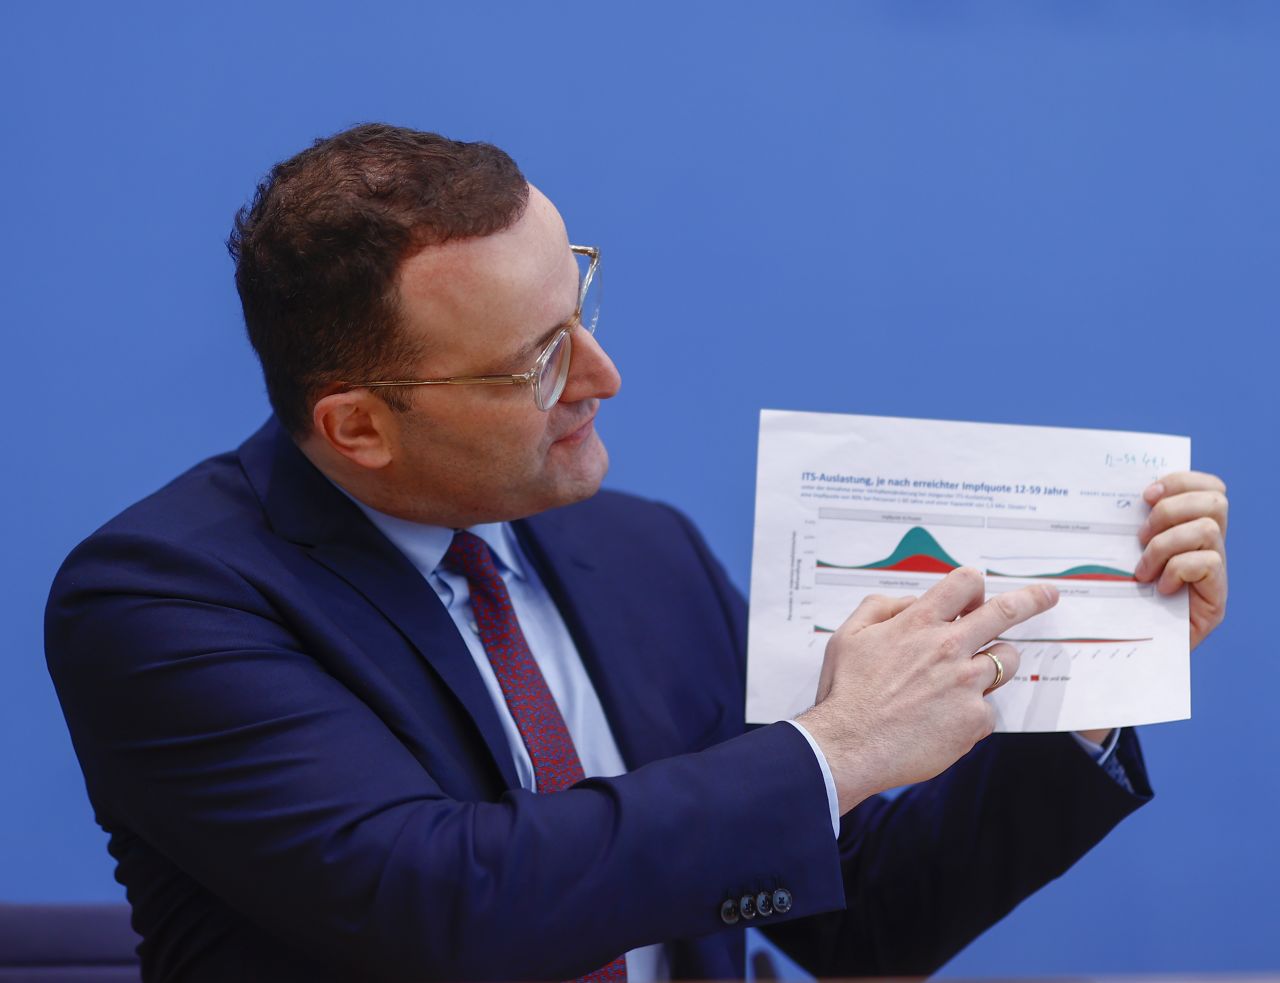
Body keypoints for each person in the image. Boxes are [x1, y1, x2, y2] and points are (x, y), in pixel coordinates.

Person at [45, 123, 1230, 983]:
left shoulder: (641, 551)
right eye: (533, 364)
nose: (602, 381)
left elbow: (869, 921)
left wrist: (1091, 677)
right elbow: (439, 904)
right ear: (357, 423)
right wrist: (831, 747)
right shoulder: (161, 597)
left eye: (581, 314)